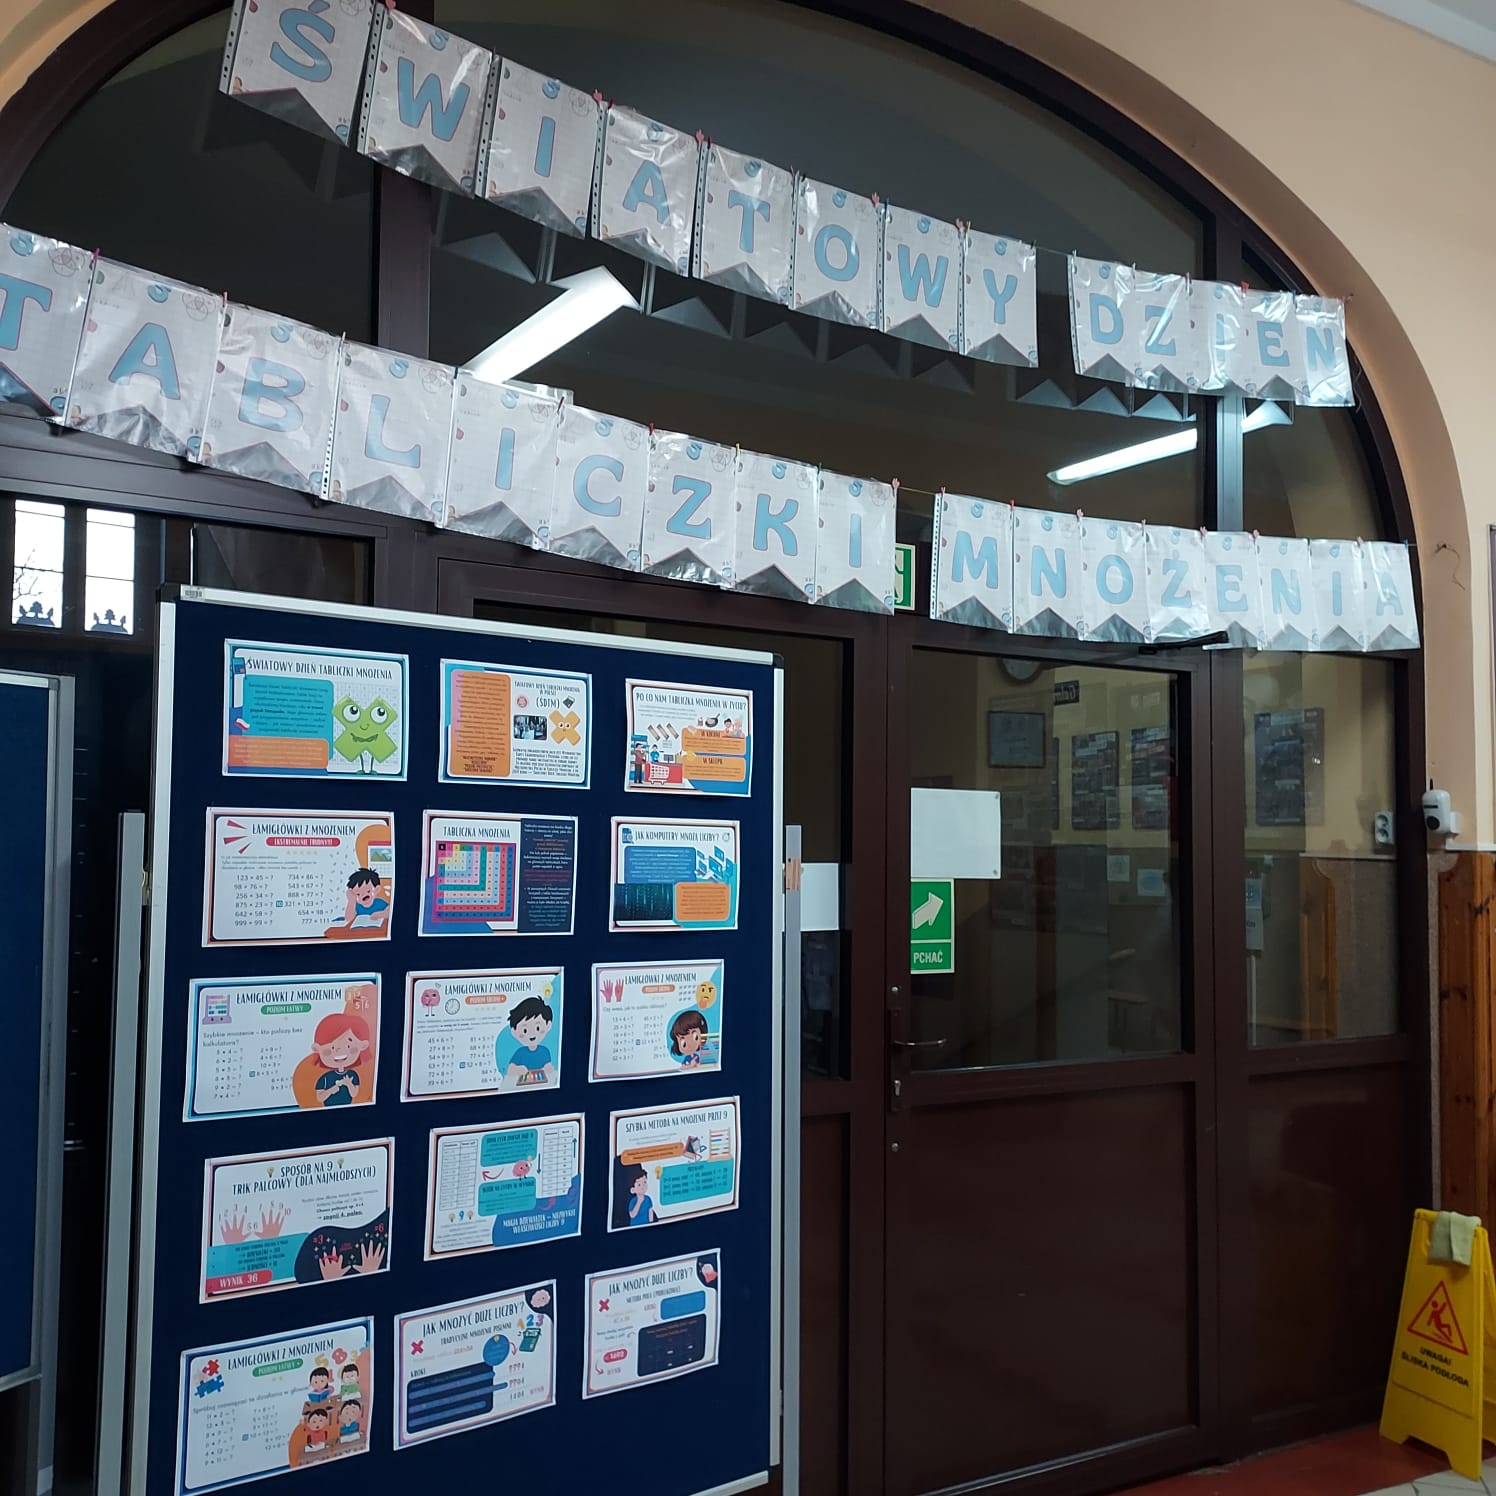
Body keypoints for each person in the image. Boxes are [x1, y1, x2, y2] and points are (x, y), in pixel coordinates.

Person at [310, 1012, 371, 1106]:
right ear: (317, 1049)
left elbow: (354, 1094)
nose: (340, 1052)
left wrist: (349, 1083)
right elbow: (319, 1097)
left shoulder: (352, 1075)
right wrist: (331, 1090)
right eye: (332, 1048)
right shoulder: (325, 1078)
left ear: (362, 1046)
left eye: (348, 1046)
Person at [500, 995, 554, 1087]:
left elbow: (549, 1066)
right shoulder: (520, 1053)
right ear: (514, 1032)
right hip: (522, 1086)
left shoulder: (545, 1051)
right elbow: (510, 1070)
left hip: (540, 1085)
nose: (532, 1034)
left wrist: (549, 1068)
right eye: (525, 1030)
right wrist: (517, 1070)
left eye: (537, 1028)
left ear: (548, 1025)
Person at [615, 1161, 657, 1228]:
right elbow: (632, 1214)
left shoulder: (647, 1199)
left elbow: (650, 1212)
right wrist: (639, 1202)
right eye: (639, 1184)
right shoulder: (633, 1201)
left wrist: (651, 1223)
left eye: (645, 1182)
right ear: (633, 1190)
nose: (643, 1186)